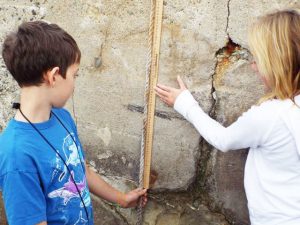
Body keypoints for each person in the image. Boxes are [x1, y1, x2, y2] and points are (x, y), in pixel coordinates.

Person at [155, 9, 300, 225]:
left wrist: (185, 104)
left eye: (258, 60)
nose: (252, 65)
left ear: (277, 64)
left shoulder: (271, 116)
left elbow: (224, 139)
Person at [0, 21, 147, 225]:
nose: (75, 84)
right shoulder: (16, 155)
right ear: (53, 76)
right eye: (74, 75)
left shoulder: (62, 117)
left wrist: (121, 198)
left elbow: (80, 170)